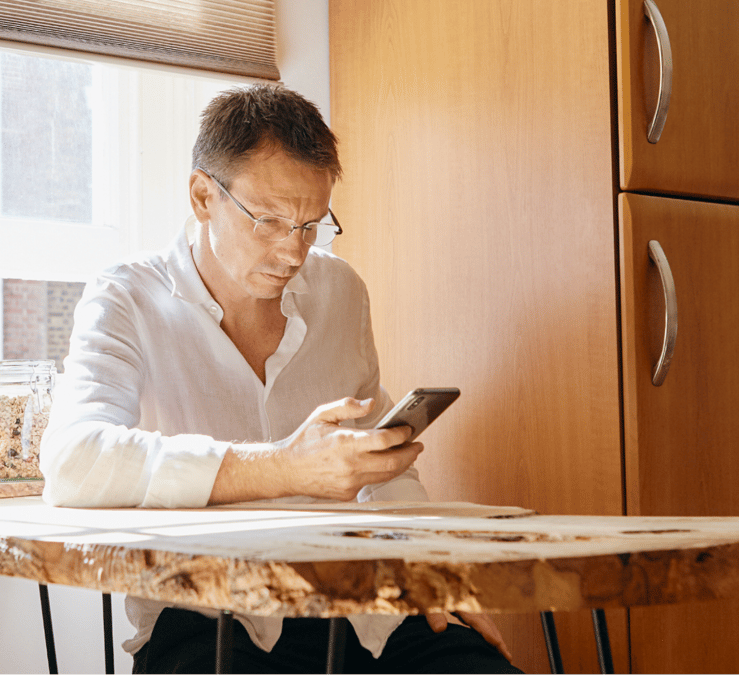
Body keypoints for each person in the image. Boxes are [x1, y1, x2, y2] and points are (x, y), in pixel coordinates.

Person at [40, 83, 519, 674]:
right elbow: (73, 461)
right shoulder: (125, 297)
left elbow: (386, 473)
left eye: (311, 224)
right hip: (209, 613)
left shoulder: (341, 291)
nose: (293, 252)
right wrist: (285, 467)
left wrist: (432, 571)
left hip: (360, 610)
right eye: (269, 221)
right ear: (202, 196)